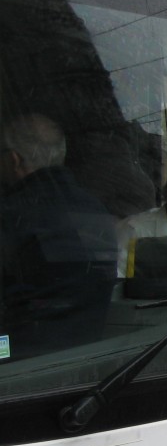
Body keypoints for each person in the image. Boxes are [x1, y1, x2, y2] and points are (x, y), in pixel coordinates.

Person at [0, 112, 117, 353]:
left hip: (17, 365)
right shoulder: (95, 210)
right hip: (84, 364)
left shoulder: (11, 214)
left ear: (14, 160)